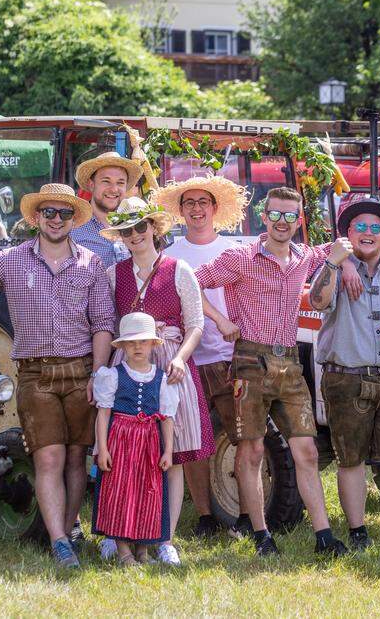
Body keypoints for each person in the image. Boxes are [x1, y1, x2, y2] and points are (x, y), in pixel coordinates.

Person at [0, 183, 114, 569]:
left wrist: (98, 375)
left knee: (74, 460)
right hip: (36, 375)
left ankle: (67, 530)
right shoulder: (12, 260)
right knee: (48, 458)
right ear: (35, 217)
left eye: (63, 214)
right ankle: (59, 542)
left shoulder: (91, 263)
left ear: (73, 219)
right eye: (48, 213)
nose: (55, 220)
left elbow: (103, 323)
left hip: (81, 372)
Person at [196, 186, 352, 558]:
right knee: (250, 450)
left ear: (299, 221)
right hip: (250, 359)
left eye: (290, 216)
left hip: (290, 363)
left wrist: (342, 260)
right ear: (263, 218)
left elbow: (339, 248)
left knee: (307, 451)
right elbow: (189, 281)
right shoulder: (241, 257)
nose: (282, 222)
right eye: (275, 215)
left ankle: (324, 536)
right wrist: (220, 320)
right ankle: (262, 534)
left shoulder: (304, 257)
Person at [307, 200, 380, 551]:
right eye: (360, 227)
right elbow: (317, 301)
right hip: (347, 378)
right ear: (347, 233)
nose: (368, 234)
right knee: (351, 458)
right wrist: (336, 262)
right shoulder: (334, 268)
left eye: (376, 228)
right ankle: (358, 531)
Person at [99, 197, 212, 566]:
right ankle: (117, 530)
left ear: (153, 228)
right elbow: (104, 321)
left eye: (140, 228)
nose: (134, 236)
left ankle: (165, 536)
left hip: (170, 362)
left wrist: (179, 358)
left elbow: (196, 323)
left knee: (173, 453)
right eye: (127, 230)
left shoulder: (179, 270)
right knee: (122, 449)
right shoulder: (114, 273)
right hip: (129, 361)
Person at [152, 176, 248, 538]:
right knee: (192, 441)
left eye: (202, 202)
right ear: (180, 210)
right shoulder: (171, 255)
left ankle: (243, 510)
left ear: (214, 208)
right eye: (188, 202)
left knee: (240, 436)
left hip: (228, 356)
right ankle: (205, 514)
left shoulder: (234, 250)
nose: (196, 208)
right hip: (186, 358)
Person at [92, 312, 178, 565]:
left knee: (147, 494)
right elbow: (103, 413)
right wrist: (104, 449)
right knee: (120, 492)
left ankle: (143, 551)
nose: (137, 347)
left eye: (143, 341)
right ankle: (124, 552)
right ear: (123, 347)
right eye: (131, 342)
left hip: (149, 445)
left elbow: (167, 417)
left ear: (153, 344)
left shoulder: (162, 379)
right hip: (121, 442)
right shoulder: (113, 375)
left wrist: (168, 450)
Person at [71, 151, 145, 267]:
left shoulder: (137, 226)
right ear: (91, 185)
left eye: (120, 183)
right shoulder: (72, 229)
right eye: (106, 181)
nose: (114, 189)